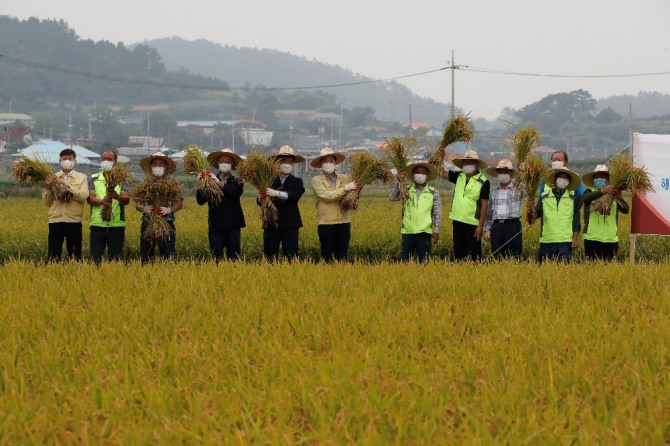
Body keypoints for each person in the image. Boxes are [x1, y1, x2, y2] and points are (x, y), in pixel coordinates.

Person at [310, 147, 359, 262]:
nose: (328, 163)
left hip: (344, 221)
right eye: (325, 161)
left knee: (342, 256)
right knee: (326, 255)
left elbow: (350, 198)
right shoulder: (316, 180)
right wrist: (345, 188)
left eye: (331, 161)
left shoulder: (344, 178)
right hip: (327, 223)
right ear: (321, 164)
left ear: (336, 163)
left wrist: (356, 191)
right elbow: (326, 197)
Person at [197, 148, 246, 262]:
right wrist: (201, 184)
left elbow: (235, 193)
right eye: (222, 161)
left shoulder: (237, 180)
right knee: (216, 259)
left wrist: (218, 183)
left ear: (232, 164)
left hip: (233, 225)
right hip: (216, 225)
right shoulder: (209, 180)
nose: (225, 164)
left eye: (228, 161)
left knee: (234, 259)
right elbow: (200, 201)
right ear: (218, 163)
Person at [258, 145, 305, 261]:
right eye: (284, 161)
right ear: (277, 162)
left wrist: (277, 193)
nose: (287, 164)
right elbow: (259, 200)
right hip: (271, 222)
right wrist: (261, 198)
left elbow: (295, 196)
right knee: (269, 256)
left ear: (293, 164)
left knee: (291, 256)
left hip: (290, 223)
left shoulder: (297, 181)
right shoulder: (268, 179)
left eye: (290, 162)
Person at [134, 152, 183, 264]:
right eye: (155, 164)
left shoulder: (172, 185)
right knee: (145, 257)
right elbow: (138, 204)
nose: (158, 167)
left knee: (168, 257)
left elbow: (179, 204)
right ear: (151, 167)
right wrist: (145, 209)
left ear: (165, 167)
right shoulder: (145, 184)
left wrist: (168, 210)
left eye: (160, 164)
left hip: (167, 223)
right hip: (148, 223)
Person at [441, 150, 489, 261]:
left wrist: (480, 226)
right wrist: (440, 157)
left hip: (473, 224)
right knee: (459, 254)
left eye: (470, 163)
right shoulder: (459, 176)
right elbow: (442, 173)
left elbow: (484, 206)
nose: (467, 165)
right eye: (465, 163)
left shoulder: (483, 181)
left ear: (476, 164)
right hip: (457, 221)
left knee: (474, 256)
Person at [43, 148, 89, 262]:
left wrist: (66, 185)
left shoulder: (82, 177)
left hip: (73, 221)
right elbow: (47, 203)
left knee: (74, 256)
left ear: (75, 161)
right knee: (53, 256)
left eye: (70, 159)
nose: (67, 161)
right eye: (65, 159)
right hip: (55, 221)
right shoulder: (52, 177)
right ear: (60, 161)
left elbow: (83, 196)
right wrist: (47, 188)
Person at [390, 162, 441, 262]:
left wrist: (436, 231)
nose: (420, 175)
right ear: (413, 175)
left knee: (425, 263)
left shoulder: (433, 192)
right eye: (417, 172)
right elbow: (392, 197)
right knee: (406, 263)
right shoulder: (406, 190)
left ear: (427, 175)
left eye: (423, 172)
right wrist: (398, 181)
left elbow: (437, 213)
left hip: (425, 232)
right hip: (408, 231)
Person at [528, 167, 581, 262]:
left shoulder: (573, 198)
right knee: (546, 271)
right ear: (555, 179)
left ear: (569, 181)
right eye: (561, 177)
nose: (563, 180)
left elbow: (576, 221)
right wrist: (530, 209)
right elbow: (533, 218)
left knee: (563, 272)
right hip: (547, 241)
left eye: (566, 178)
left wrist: (574, 239)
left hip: (565, 242)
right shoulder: (544, 196)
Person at [87, 150, 130, 264]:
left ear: (115, 161)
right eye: (103, 159)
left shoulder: (122, 179)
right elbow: (90, 198)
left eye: (109, 159)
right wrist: (102, 201)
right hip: (97, 224)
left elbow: (126, 199)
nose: (106, 161)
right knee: (95, 259)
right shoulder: (93, 178)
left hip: (116, 225)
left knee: (115, 259)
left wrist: (117, 196)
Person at [581, 164, 629, 261]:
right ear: (593, 179)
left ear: (608, 179)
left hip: (610, 239)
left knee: (608, 271)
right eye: (597, 177)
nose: (599, 179)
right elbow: (586, 199)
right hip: (592, 238)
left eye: (602, 177)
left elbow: (626, 210)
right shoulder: (589, 191)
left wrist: (620, 198)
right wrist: (602, 191)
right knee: (591, 269)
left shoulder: (613, 195)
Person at [484, 159, 523, 259]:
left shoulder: (518, 188)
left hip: (513, 226)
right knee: (497, 256)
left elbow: (529, 186)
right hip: (497, 227)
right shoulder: (493, 191)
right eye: (500, 172)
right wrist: (487, 229)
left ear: (510, 174)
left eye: (505, 172)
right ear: (497, 174)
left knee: (514, 256)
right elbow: (489, 213)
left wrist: (522, 171)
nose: (503, 174)